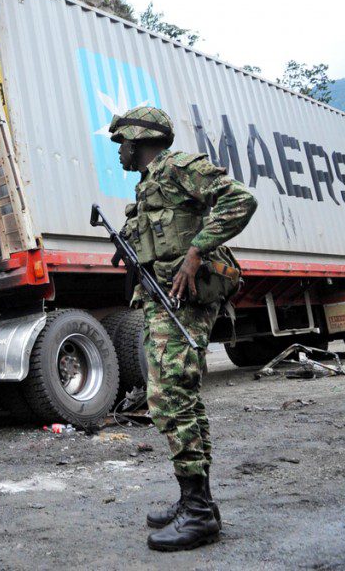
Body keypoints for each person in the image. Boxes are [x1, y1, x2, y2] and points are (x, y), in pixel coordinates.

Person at [109, 106, 257, 552]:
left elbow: (240, 200)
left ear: (137, 140)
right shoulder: (150, 184)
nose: (119, 152)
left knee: (170, 395)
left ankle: (198, 513)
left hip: (185, 301)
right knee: (174, 395)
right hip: (163, 300)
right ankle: (198, 502)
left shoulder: (177, 167)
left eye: (121, 144)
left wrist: (196, 252)